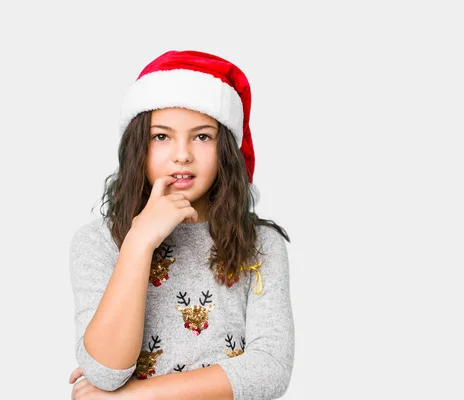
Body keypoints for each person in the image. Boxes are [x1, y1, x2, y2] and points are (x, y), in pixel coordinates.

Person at [67, 50, 294, 400]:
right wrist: (139, 241)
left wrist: (129, 398)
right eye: (162, 136)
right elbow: (105, 371)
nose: (182, 154)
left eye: (202, 136)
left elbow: (269, 369)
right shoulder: (98, 242)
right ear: (137, 146)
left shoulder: (260, 244)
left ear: (225, 150)